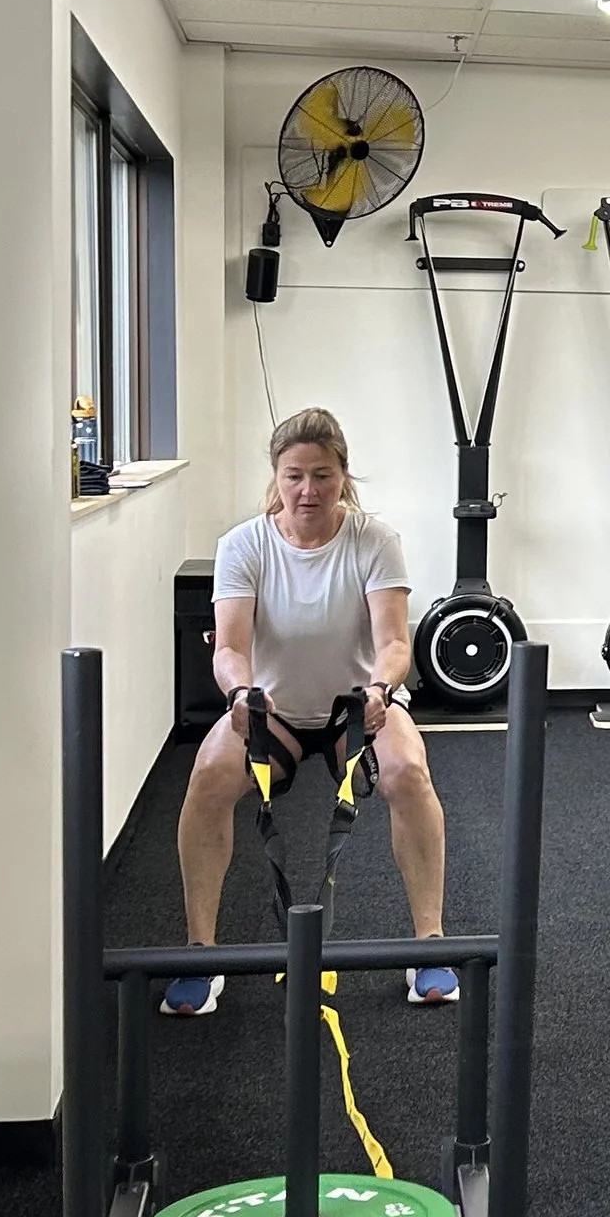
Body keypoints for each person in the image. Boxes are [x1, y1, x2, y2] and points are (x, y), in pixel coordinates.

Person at [167, 408, 453, 1016]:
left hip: (358, 704)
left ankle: (429, 942)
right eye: (294, 475)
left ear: (343, 476)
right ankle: (199, 953)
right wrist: (241, 695)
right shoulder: (243, 545)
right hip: (271, 707)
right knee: (209, 779)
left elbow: (396, 643)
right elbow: (231, 648)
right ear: (276, 476)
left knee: (409, 775)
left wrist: (380, 688)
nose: (308, 490)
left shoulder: (374, 540)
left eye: (322, 475)